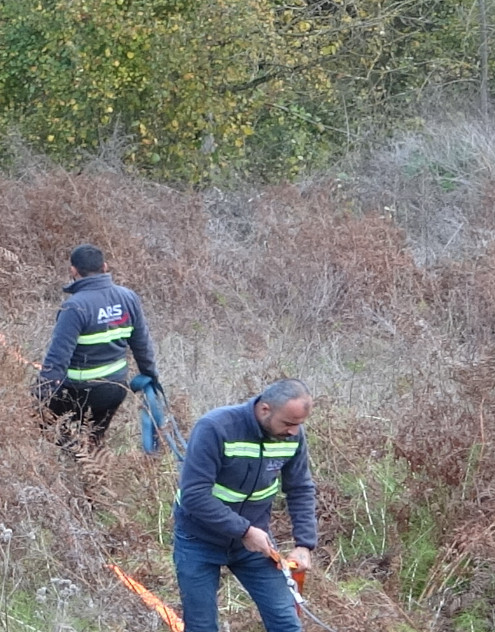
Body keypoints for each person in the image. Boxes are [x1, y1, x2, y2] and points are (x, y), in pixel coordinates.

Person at [172, 379, 318, 632]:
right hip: (198, 539)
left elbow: (300, 488)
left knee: (286, 623)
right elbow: (194, 495)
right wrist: (244, 531)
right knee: (201, 626)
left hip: (254, 544)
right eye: (288, 423)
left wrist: (304, 544)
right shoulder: (216, 427)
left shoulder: (293, 437)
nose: (294, 432)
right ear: (265, 410)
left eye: (299, 425)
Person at [33, 243, 161, 449]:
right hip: (115, 390)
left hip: (78, 392)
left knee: (49, 429)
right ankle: (94, 472)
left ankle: (76, 464)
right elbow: (142, 344)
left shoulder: (75, 307)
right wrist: (151, 376)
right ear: (105, 266)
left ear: (73, 270)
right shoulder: (128, 297)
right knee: (93, 442)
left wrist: (40, 396)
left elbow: (58, 359)